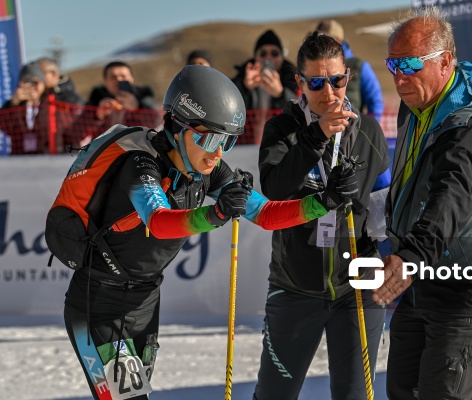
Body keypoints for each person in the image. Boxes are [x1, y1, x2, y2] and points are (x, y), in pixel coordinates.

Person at [63, 65, 358, 400]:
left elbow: (264, 214)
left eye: (228, 141)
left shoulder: (209, 167)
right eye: (209, 138)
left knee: (136, 396)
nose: (218, 152)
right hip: (98, 302)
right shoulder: (141, 164)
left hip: (144, 299)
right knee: (127, 399)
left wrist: (325, 200)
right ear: (177, 126)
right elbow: (158, 221)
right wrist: (216, 213)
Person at [373, 7, 472, 400]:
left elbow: (451, 198)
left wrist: (409, 257)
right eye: (392, 64)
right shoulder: (419, 103)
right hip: (429, 277)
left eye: (409, 64)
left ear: (445, 61)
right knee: (403, 390)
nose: (399, 76)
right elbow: (411, 186)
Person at [254, 32, 391, 400]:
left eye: (337, 80)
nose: (329, 93)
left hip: (357, 288)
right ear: (299, 83)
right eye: (316, 82)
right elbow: (275, 188)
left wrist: (390, 258)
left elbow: (381, 206)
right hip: (296, 287)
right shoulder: (283, 129)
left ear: (348, 76)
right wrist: (315, 136)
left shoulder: (369, 132)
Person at [231, 29, 298, 141]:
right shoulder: (244, 76)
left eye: (274, 53)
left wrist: (281, 94)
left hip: (280, 141)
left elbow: (299, 107)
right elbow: (228, 101)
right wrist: (244, 87)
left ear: (282, 57)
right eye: (263, 53)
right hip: (246, 144)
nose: (268, 58)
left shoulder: (292, 78)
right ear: (255, 57)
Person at [315, 19, 385, 121]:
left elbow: (375, 102)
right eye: (318, 38)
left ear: (339, 40)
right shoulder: (313, 66)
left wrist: (369, 130)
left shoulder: (360, 66)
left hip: (353, 130)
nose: (321, 43)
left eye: (326, 38)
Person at [0, 61, 77, 154]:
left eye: (36, 82)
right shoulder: (17, 108)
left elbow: (71, 131)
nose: (32, 87)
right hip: (21, 160)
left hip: (50, 158)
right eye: (27, 82)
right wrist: (13, 103)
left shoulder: (53, 104)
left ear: (43, 84)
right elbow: (5, 127)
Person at [86, 61, 158, 130]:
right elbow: (78, 131)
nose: (119, 80)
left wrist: (137, 107)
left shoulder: (143, 95)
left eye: (123, 76)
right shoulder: (96, 98)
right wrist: (97, 116)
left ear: (131, 78)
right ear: (105, 81)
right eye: (113, 77)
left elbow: (156, 124)